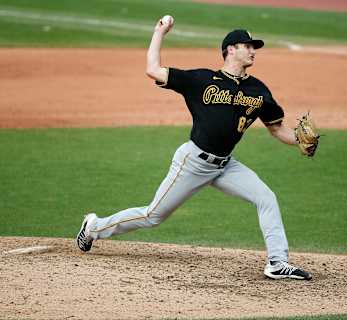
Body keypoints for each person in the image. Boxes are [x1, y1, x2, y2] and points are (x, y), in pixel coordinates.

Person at [77, 16, 313, 280]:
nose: (253, 50)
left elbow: (277, 128)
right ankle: (94, 227)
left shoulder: (258, 91)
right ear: (230, 50)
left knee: (266, 198)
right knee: (153, 215)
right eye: (247, 45)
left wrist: (301, 142)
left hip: (226, 165)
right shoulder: (201, 80)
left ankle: (277, 262)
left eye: (253, 47)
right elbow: (153, 70)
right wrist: (159, 32)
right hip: (193, 162)